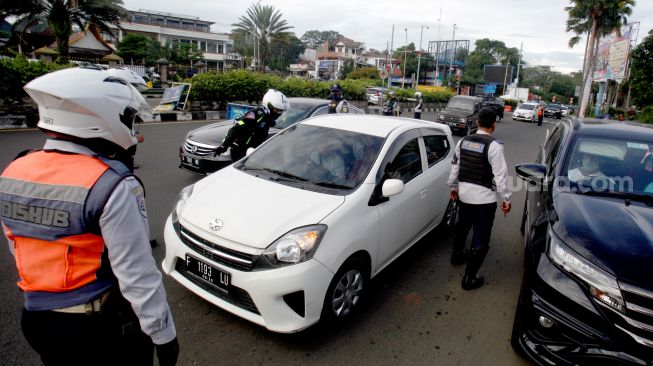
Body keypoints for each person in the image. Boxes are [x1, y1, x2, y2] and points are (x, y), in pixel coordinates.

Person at [0, 68, 178, 365]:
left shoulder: (14, 170)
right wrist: (164, 336)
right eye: (128, 118)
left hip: (36, 320)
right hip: (98, 328)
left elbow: (18, 245)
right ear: (101, 116)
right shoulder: (113, 184)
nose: (134, 130)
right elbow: (138, 277)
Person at [447, 107, 512, 291]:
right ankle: (469, 279)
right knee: (480, 237)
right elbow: (500, 176)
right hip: (484, 201)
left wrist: (453, 187)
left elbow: (455, 167)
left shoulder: (463, 141)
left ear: (476, 123)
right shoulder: (494, 146)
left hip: (464, 195)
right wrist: (506, 199)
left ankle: (457, 255)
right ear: (494, 125)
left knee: (462, 226)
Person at [215, 89, 289, 162]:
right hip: (240, 150)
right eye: (277, 110)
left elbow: (270, 126)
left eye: (281, 111)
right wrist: (224, 146)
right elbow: (234, 130)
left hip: (255, 150)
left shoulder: (268, 117)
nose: (279, 113)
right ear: (268, 105)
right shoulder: (254, 115)